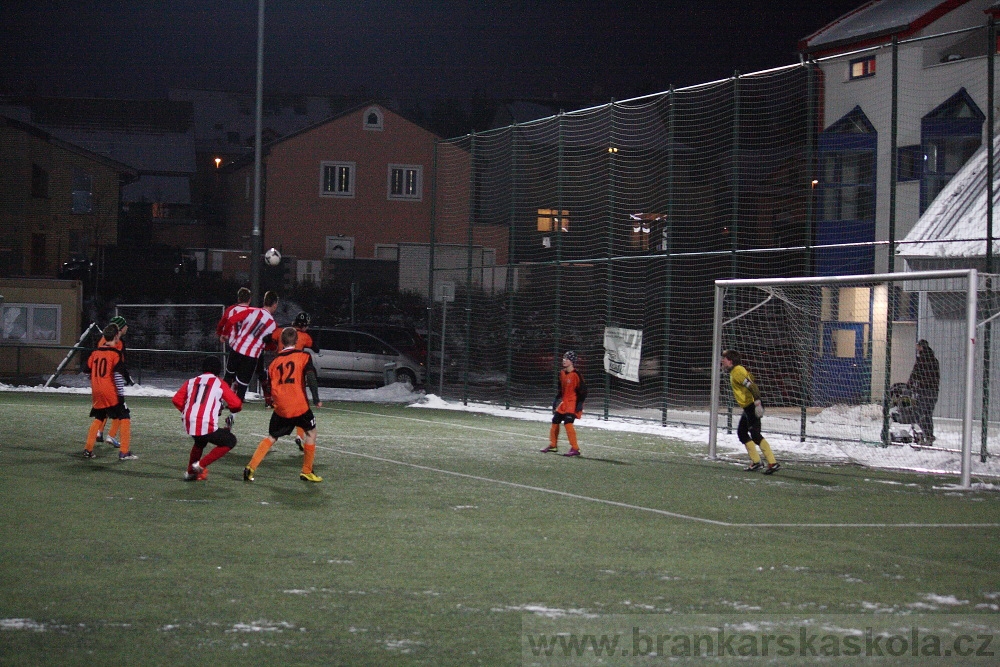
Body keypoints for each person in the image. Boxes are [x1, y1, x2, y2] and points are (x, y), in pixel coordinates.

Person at [244, 327, 323, 483]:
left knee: (272, 437)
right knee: (311, 433)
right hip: (299, 405)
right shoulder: (303, 356)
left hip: (281, 407)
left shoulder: (274, 363)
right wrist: (316, 398)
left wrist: (272, 401)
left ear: (281, 341)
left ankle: (251, 467)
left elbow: (269, 386)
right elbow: (311, 377)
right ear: (296, 341)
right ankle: (306, 471)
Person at [172, 355, 243, 481]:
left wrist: (187, 411)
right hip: (204, 421)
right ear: (218, 370)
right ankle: (200, 465)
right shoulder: (219, 382)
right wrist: (233, 411)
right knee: (230, 441)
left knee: (200, 441)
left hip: (188, 421)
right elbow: (236, 404)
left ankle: (190, 473)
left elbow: (176, 400)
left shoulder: (191, 381)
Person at [268, 312, 323, 449]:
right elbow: (316, 348)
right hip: (296, 371)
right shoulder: (304, 336)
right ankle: (300, 436)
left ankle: (252, 465)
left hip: (279, 369)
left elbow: (266, 339)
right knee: (300, 404)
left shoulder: (281, 331)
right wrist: (316, 398)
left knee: (275, 430)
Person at [83, 323, 136, 460]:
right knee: (125, 416)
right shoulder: (115, 354)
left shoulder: (95, 353)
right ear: (116, 336)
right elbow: (118, 376)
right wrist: (120, 395)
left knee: (99, 417)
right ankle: (124, 452)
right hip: (110, 390)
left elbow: (87, 369)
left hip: (96, 391)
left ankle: (88, 449)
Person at [720, 349, 779, 474]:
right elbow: (751, 379)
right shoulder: (737, 371)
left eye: (724, 359)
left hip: (753, 405)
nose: (722, 361)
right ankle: (756, 462)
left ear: (730, 361)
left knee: (756, 435)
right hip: (748, 407)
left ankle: (772, 463)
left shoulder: (737, 372)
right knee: (742, 433)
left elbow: (753, 386)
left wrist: (757, 403)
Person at [219, 290, 279, 401]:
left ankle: (219, 403)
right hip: (251, 356)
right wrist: (272, 347)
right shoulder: (273, 325)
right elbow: (271, 345)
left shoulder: (251, 311)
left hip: (237, 349)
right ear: (275, 305)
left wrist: (224, 334)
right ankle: (234, 413)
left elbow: (232, 320)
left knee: (228, 377)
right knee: (242, 385)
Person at [94, 315, 134, 448]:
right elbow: (119, 365)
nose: (127, 327)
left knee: (103, 410)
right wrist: (126, 378)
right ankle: (113, 438)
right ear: (120, 329)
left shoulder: (102, 341)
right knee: (122, 412)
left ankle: (97, 434)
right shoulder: (118, 343)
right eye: (125, 325)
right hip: (111, 383)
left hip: (99, 382)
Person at [540, 350, 587, 457]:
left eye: (567, 359)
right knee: (555, 420)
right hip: (564, 403)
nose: (564, 360)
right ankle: (553, 445)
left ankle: (575, 449)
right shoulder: (561, 373)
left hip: (572, 403)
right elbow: (561, 389)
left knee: (568, 423)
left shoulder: (576, 375)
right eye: (564, 358)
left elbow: (584, 391)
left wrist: (580, 403)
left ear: (572, 361)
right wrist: (556, 399)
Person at [908, 339, 940, 444]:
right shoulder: (934, 360)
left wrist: (909, 386)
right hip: (934, 391)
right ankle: (929, 435)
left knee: (919, 413)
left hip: (924, 390)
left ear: (921, 347)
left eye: (918, 346)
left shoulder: (921, 360)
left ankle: (924, 435)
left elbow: (915, 375)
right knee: (928, 413)